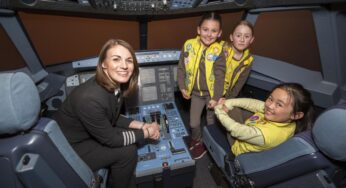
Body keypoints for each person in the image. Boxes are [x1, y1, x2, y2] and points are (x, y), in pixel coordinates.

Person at [53, 39, 160, 188]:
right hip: (69, 149)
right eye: (116, 59)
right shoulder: (89, 98)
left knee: (129, 136)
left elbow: (112, 116)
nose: (124, 66)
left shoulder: (113, 85)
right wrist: (147, 132)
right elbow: (111, 139)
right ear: (103, 64)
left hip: (85, 135)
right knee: (128, 152)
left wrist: (142, 125)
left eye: (129, 60)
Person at [215, 83, 315, 157]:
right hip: (255, 125)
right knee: (235, 107)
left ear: (296, 115)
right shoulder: (285, 119)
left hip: (238, 144)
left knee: (230, 111)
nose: (270, 105)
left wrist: (219, 110)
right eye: (270, 98)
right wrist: (230, 102)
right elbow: (254, 104)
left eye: (279, 104)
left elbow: (237, 130)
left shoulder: (271, 135)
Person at [177, 12, 226, 159]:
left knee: (211, 123)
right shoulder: (188, 45)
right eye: (205, 29)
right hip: (196, 93)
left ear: (219, 33)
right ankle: (196, 141)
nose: (209, 34)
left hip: (211, 95)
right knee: (193, 123)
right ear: (198, 30)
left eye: (213, 31)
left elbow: (220, 77)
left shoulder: (218, 51)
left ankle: (210, 144)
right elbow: (181, 68)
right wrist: (182, 87)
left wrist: (216, 97)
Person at [219, 20, 255, 105]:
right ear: (231, 37)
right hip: (209, 89)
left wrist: (228, 100)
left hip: (225, 96)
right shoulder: (220, 49)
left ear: (252, 40)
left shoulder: (248, 61)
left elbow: (239, 84)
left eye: (246, 36)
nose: (242, 40)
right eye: (238, 36)